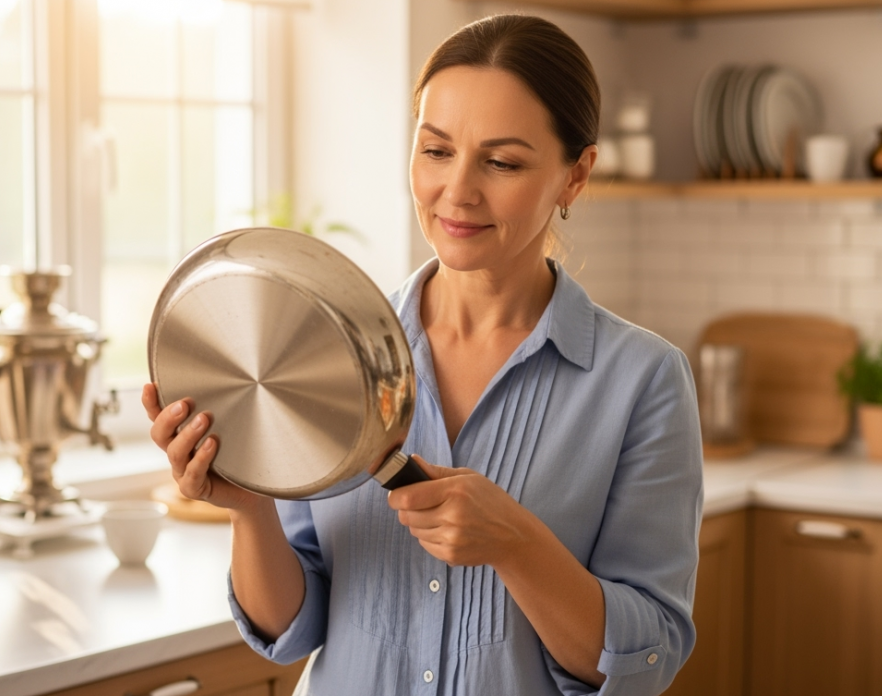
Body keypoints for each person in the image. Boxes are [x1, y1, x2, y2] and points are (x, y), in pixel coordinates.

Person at [142, 14, 702, 696]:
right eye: (436, 150)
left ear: (574, 176)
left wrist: (516, 544)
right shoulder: (326, 353)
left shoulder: (644, 381)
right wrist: (249, 507)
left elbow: (647, 658)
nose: (457, 191)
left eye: (502, 162)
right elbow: (291, 627)